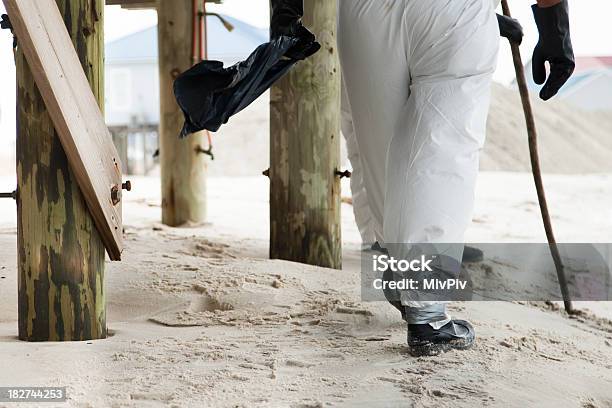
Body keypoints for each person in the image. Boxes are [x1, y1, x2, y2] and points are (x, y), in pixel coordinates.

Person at [338, 0, 574, 356]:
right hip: (453, 13)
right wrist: (555, 26)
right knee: (439, 151)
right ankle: (426, 311)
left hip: (362, 13)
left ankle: (397, 265)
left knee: (382, 148)